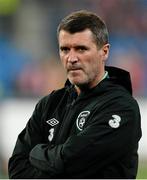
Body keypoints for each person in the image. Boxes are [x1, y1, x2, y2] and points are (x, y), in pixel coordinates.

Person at [8, 10, 142, 179]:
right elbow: (16, 168)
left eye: (81, 49)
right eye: (65, 49)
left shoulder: (121, 107)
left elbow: (70, 162)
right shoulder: (49, 104)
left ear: (105, 52)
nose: (71, 58)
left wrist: (36, 152)